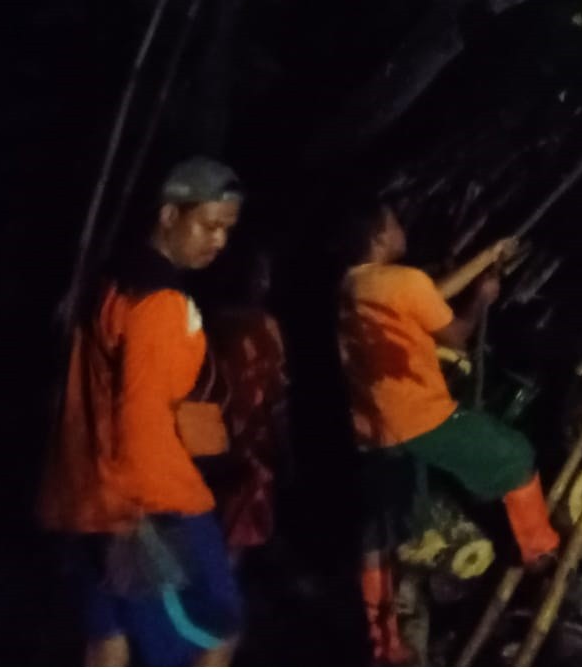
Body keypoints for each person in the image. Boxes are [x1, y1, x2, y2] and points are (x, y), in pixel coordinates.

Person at [40, 158, 249, 667]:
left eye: (227, 230)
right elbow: (143, 422)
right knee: (212, 633)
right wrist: (173, 508)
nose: (218, 241)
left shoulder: (110, 281)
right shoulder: (161, 305)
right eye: (208, 225)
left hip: (83, 495)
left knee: (109, 641)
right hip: (145, 507)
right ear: (169, 215)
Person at [336, 202, 555, 662]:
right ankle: (539, 552)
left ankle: (385, 646)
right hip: (420, 415)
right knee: (514, 454)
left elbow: (427, 294)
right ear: (379, 237)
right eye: (394, 224)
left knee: (379, 537)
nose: (402, 229)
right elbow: (454, 334)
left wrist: (486, 257)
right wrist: (482, 298)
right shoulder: (402, 282)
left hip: (372, 426)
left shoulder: (353, 284)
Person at [200, 254, 286, 569]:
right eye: (261, 274)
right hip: (249, 432)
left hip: (213, 430)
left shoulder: (209, 317)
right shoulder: (261, 323)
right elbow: (272, 382)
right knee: (241, 519)